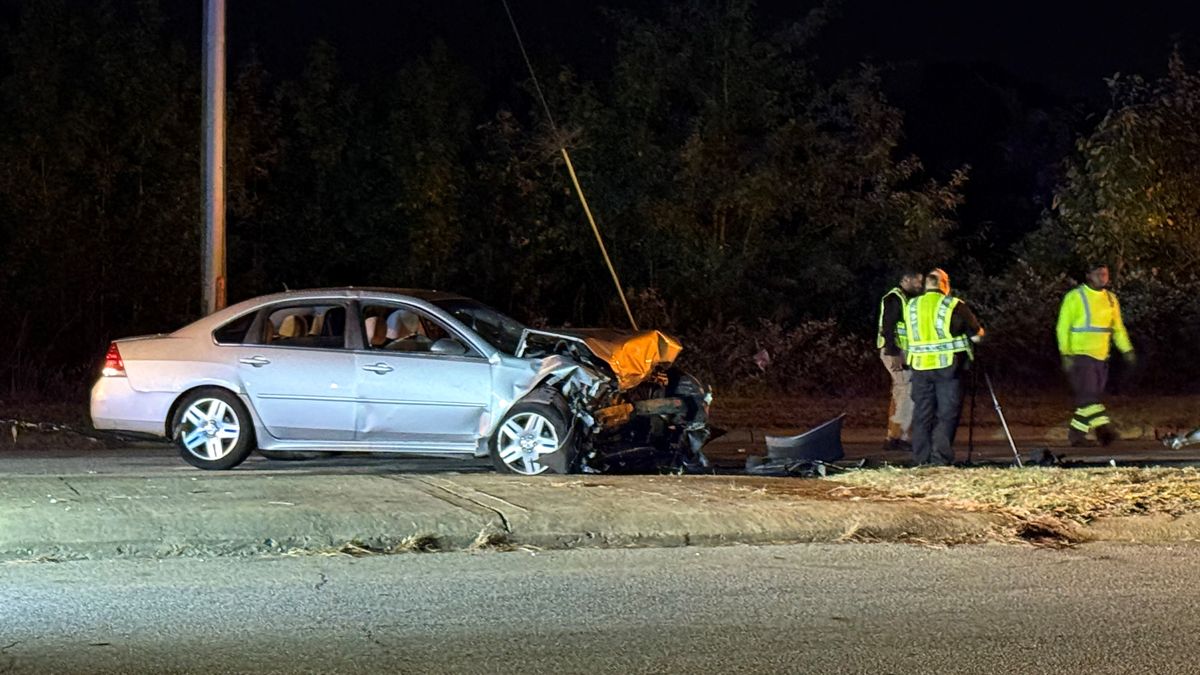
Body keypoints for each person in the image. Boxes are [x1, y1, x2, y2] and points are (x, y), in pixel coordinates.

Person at [904, 268, 985, 466]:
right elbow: (976, 335)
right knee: (946, 414)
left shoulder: (911, 306)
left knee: (922, 413)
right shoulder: (953, 305)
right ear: (943, 284)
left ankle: (921, 459)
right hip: (948, 368)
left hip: (919, 367)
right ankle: (940, 458)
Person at [1056, 262, 1134, 447]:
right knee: (1089, 396)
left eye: (1105, 274)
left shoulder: (1111, 299)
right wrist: (1065, 353)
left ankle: (1077, 435)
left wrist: (1127, 349)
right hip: (1080, 353)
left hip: (1102, 355)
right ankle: (1104, 430)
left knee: (1089, 399)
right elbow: (1062, 327)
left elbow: (1118, 328)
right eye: (1098, 274)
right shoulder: (1075, 296)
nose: (1102, 277)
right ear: (1088, 275)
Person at [876, 270, 924, 451]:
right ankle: (898, 437)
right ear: (906, 280)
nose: (920, 285)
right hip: (895, 352)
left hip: (898, 351)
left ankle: (894, 436)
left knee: (900, 392)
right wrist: (893, 352)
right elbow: (888, 327)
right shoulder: (894, 298)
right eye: (917, 281)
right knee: (906, 392)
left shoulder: (903, 298)